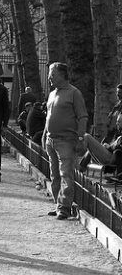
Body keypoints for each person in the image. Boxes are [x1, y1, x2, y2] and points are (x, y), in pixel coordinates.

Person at [42, 62, 88, 220]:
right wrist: (44, 135)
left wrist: (80, 137)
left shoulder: (74, 93)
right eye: (49, 74)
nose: (49, 77)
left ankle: (64, 207)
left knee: (66, 174)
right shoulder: (52, 93)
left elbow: (82, 117)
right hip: (51, 140)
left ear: (62, 75)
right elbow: (48, 116)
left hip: (66, 141)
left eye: (52, 74)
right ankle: (58, 204)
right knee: (54, 175)